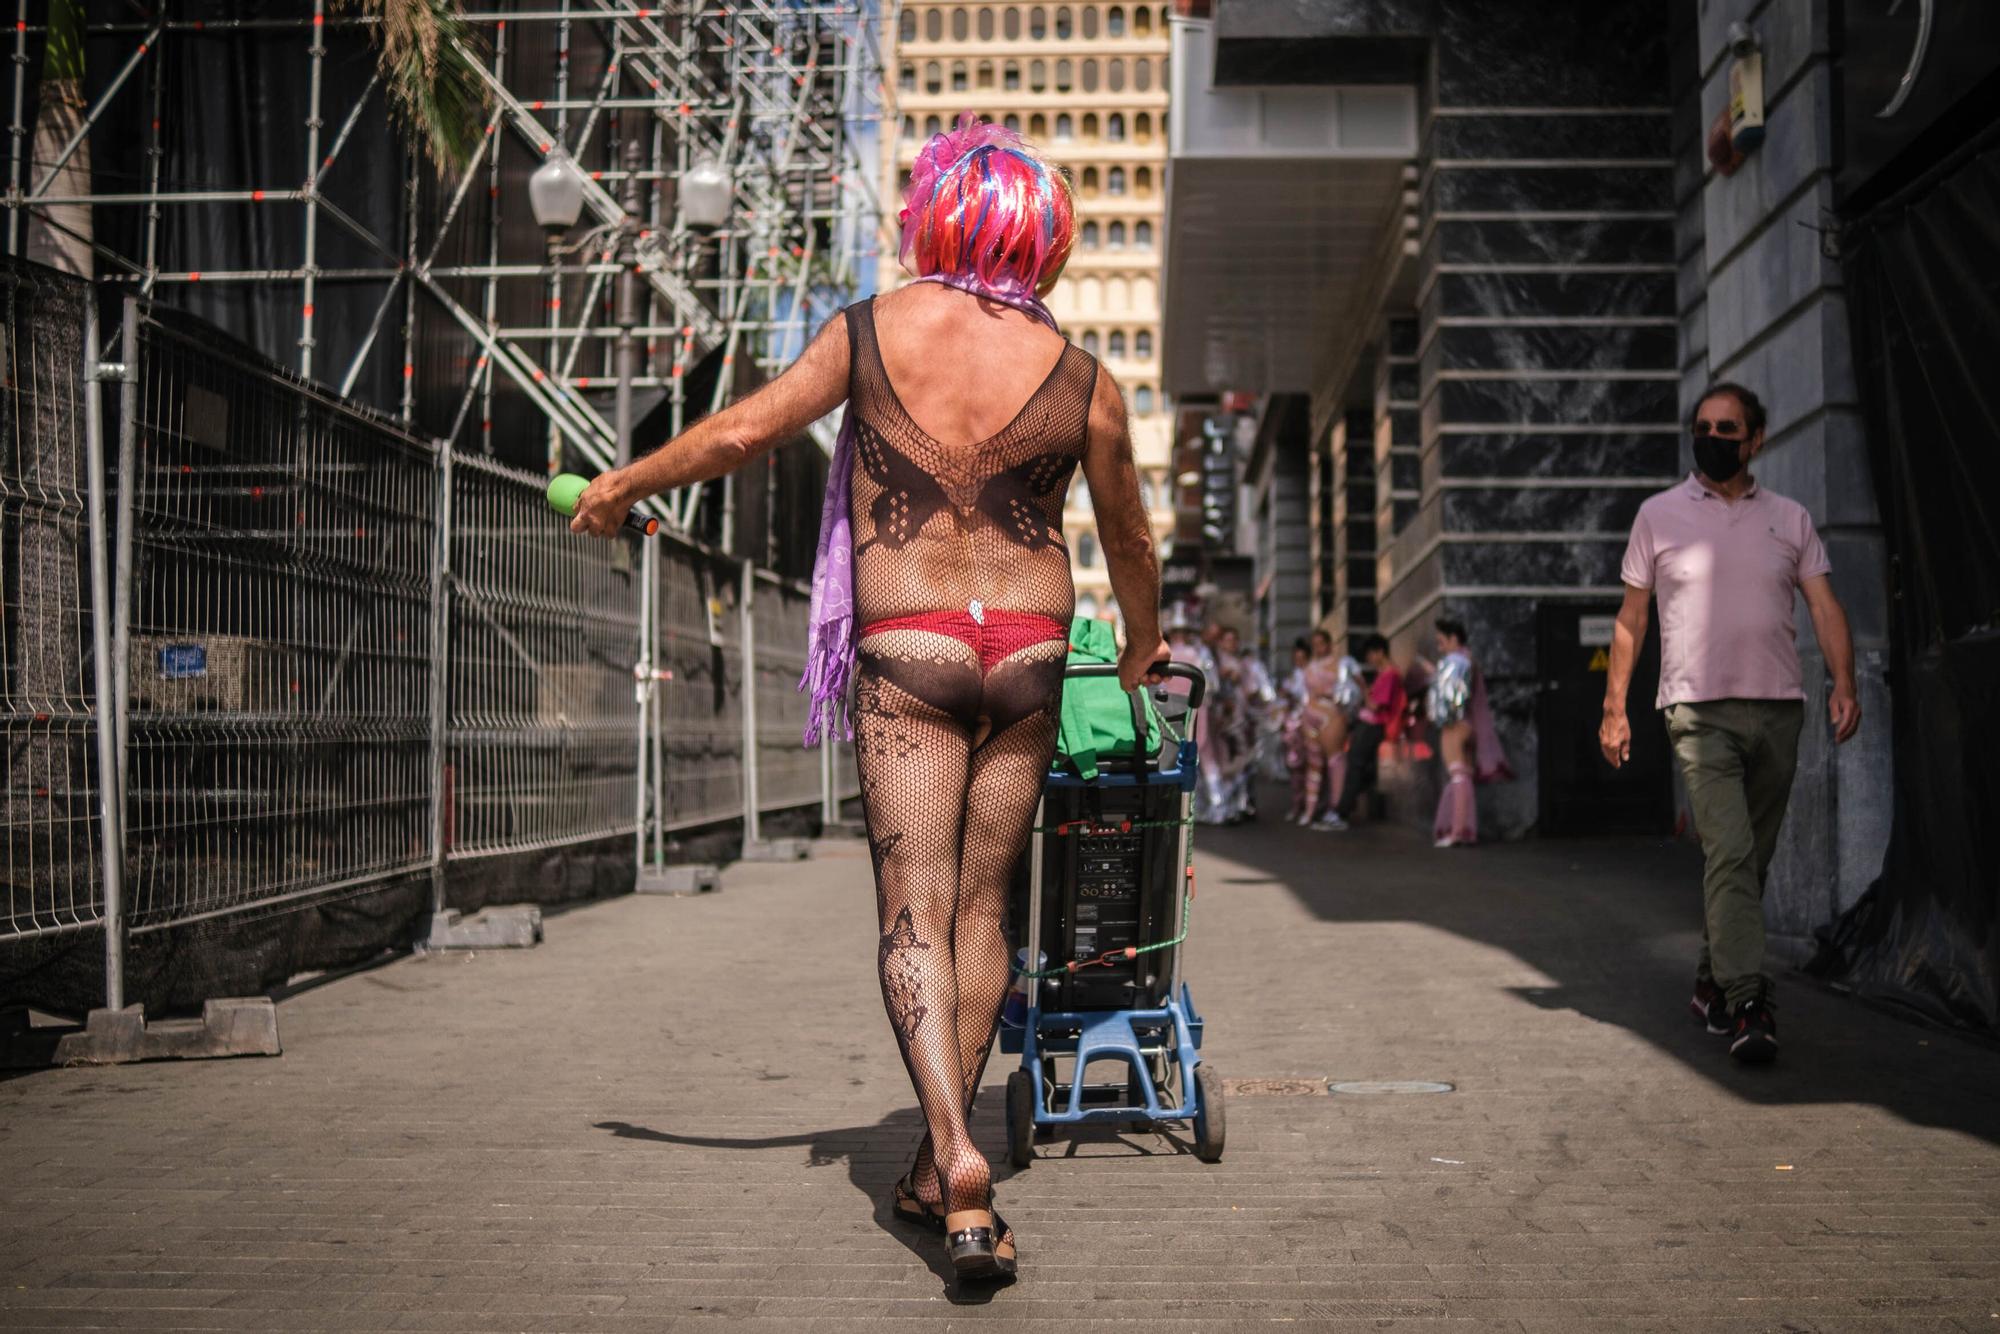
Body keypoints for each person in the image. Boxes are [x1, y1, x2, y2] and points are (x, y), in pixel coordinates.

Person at [569, 115, 1168, 1280]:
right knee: (984, 913)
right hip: (1031, 650)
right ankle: (941, 1163)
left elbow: (745, 429)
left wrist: (619, 483)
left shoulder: (869, 331)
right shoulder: (1084, 378)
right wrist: (1139, 645)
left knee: (912, 909)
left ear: (935, 217)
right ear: (1038, 241)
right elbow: (1130, 535)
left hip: (909, 650)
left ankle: (952, 1155)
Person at [1601, 381, 1860, 1065]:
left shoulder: (1791, 518)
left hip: (1778, 708)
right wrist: (1614, 708)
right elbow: (1630, 621)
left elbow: (1826, 606)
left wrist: (1845, 682)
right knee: (1732, 853)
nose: (1712, 439)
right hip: (1694, 711)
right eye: (1703, 427)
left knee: (1750, 861)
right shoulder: (1657, 515)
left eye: (1727, 429)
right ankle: (1749, 999)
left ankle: (1710, 982)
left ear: (1756, 439)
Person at [1425, 618, 1513, 848]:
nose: (1440, 648)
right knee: (1462, 776)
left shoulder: (1456, 661)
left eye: (1441, 642)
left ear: (1454, 639)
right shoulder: (1468, 660)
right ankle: (1460, 829)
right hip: (1469, 726)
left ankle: (1459, 830)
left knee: (1458, 777)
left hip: (1456, 725)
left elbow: (1451, 700)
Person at [1329, 633, 1404, 829]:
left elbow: (1375, 705)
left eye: (1371, 654)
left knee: (1355, 766)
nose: (1369, 659)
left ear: (1380, 652)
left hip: (1372, 726)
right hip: (1367, 726)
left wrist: (1362, 687)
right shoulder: (1384, 674)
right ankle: (1346, 806)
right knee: (1358, 767)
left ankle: (1342, 811)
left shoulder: (1390, 674)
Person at [1294, 629, 1361, 829]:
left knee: (1335, 760)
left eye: (1321, 643)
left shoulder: (1341, 664)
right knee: (1313, 764)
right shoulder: (1310, 667)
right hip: (1310, 716)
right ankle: (1311, 809)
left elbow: (1358, 686)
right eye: (1314, 644)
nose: (1318, 648)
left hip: (1331, 716)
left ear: (1329, 644)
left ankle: (1337, 808)